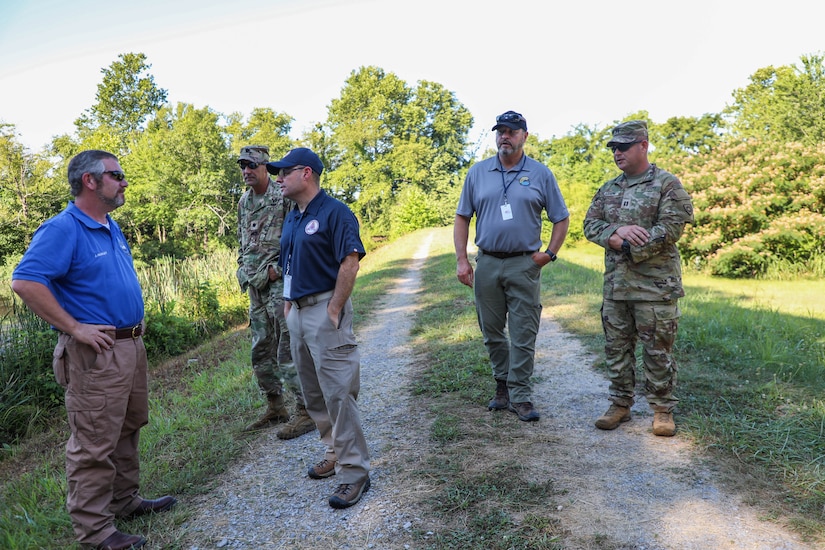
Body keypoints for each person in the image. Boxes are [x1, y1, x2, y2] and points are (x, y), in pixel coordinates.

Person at [11, 150, 176, 550]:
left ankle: (124, 501)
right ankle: (97, 533)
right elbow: (25, 281)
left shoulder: (110, 225)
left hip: (129, 346)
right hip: (96, 354)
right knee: (93, 443)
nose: (124, 182)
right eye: (117, 174)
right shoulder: (63, 228)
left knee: (128, 426)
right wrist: (73, 328)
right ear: (90, 180)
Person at [267, 147, 370, 509]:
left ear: (306, 173)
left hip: (324, 311)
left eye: (283, 172)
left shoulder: (336, 212)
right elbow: (288, 262)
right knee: (313, 393)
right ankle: (334, 452)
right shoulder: (294, 216)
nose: (278, 179)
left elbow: (350, 262)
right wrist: (286, 302)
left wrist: (335, 307)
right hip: (296, 312)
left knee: (338, 394)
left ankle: (354, 472)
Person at [454, 111, 570, 422]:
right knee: (491, 331)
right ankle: (501, 386)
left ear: (524, 136)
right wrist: (462, 259)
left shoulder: (540, 173)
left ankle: (521, 395)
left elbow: (561, 217)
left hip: (524, 264)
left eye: (512, 131)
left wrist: (549, 254)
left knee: (523, 333)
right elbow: (462, 217)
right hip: (488, 262)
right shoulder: (478, 173)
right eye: (500, 131)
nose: (505, 136)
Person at [583, 120, 694, 437]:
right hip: (616, 288)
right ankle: (620, 404)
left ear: (643, 145)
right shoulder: (608, 189)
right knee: (616, 350)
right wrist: (613, 233)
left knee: (658, 352)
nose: (617, 152)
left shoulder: (667, 185)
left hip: (654, 288)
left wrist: (628, 244)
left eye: (624, 146)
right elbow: (590, 225)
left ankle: (662, 410)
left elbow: (671, 229)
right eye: (613, 147)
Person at [235, 145, 316, 439]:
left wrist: (278, 271)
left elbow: (298, 234)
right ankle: (275, 406)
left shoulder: (282, 196)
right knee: (260, 349)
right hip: (253, 285)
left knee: (288, 348)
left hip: (277, 284)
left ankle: (306, 410)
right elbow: (242, 239)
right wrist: (241, 267)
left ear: (264, 167)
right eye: (242, 166)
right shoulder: (244, 201)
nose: (246, 171)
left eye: (251, 165)